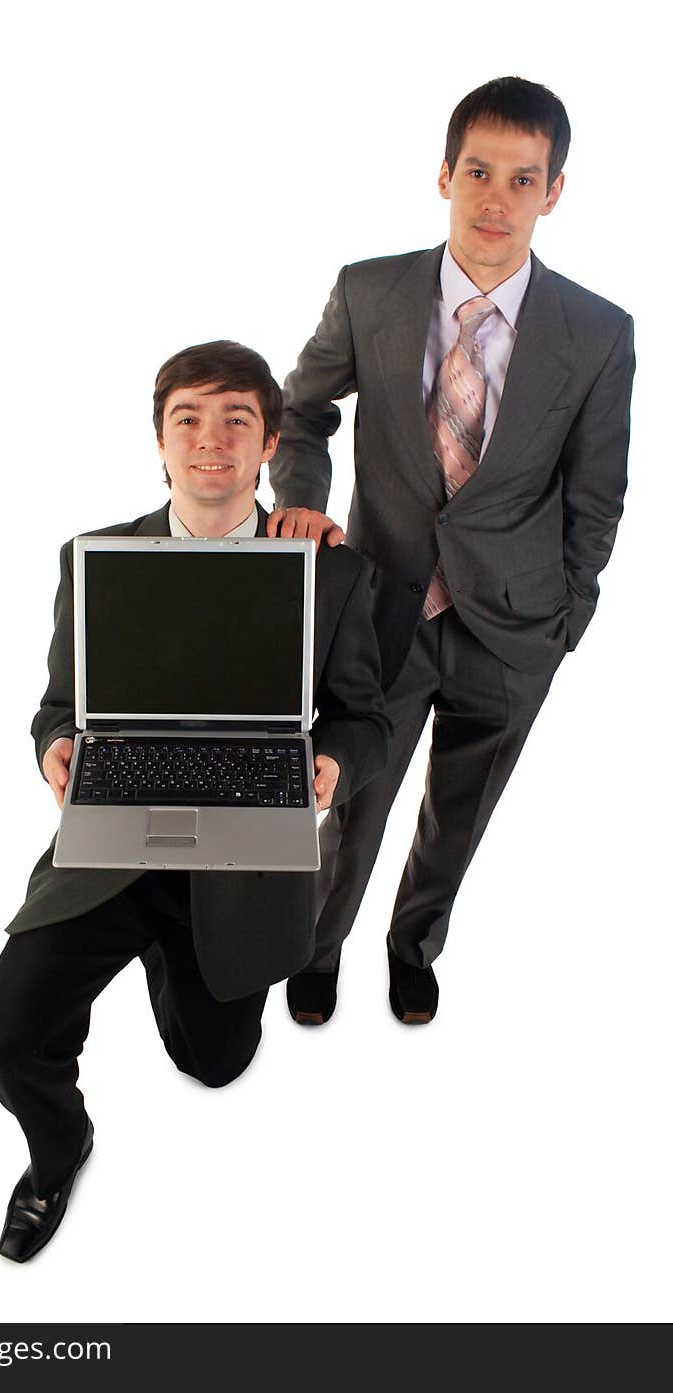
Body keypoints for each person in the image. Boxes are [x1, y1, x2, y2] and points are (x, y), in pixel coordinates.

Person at [0, 341, 390, 1262]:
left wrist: (329, 767)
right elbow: (54, 705)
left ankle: (171, 952)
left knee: (215, 1062)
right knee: (4, 1035)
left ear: (271, 442)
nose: (212, 440)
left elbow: (364, 718)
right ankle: (57, 1151)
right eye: (188, 418)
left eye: (238, 419)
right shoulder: (94, 559)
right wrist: (57, 747)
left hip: (243, 844)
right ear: (159, 440)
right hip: (118, 836)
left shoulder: (334, 574)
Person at [268, 76, 635, 1027]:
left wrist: (565, 622)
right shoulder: (370, 290)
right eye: (478, 171)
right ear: (443, 174)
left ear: (554, 192)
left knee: (461, 812)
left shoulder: (598, 334)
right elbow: (301, 412)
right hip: (381, 608)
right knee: (354, 799)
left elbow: (597, 495)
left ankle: (412, 945)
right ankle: (319, 947)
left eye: (523, 179)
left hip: (514, 629)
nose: (495, 198)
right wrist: (302, 506)